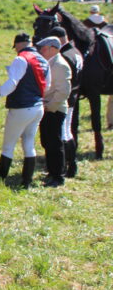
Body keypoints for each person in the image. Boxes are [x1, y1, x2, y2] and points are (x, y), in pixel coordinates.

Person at [0, 32, 50, 186]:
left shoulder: (21, 59)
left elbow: (12, 83)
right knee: (29, 142)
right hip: (38, 107)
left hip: (21, 107)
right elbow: (48, 85)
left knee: (8, 145)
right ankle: (26, 180)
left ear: (18, 45)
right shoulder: (43, 60)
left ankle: (0, 178)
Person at [36, 36, 71, 187]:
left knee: (54, 143)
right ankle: (52, 171)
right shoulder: (51, 63)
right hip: (48, 107)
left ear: (52, 48)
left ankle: (58, 176)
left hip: (55, 109)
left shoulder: (60, 65)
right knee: (47, 141)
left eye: (43, 48)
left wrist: (50, 106)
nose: (41, 51)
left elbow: (63, 91)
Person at [49, 26, 82, 178]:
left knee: (63, 133)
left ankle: (66, 165)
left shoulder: (64, 56)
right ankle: (71, 164)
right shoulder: (76, 52)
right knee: (67, 131)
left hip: (65, 98)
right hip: (73, 96)